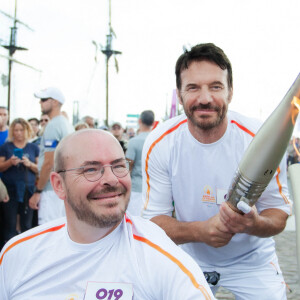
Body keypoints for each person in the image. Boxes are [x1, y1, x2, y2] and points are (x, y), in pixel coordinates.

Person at [141, 43, 291, 299]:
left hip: (252, 261)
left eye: (215, 86)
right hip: (189, 257)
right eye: (193, 88)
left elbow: (278, 215)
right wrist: (200, 231)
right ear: (179, 93)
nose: (205, 98)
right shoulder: (160, 142)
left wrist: (254, 224)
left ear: (231, 92)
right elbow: (153, 224)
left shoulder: (261, 138)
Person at [0, 129, 215, 300]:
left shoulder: (160, 259)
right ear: (58, 185)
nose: (112, 180)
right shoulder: (17, 255)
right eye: (91, 170)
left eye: (119, 166)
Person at [29, 87, 74, 225]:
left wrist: (38, 191)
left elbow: (49, 162)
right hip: (64, 187)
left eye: (43, 100)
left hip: (51, 189)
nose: (40, 103)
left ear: (54, 102)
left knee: (48, 232)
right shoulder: (66, 124)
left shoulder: (53, 126)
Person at [0, 118, 39, 244]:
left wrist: (29, 164)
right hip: (10, 189)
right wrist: (10, 162)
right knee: (9, 223)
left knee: (27, 224)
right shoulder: (6, 147)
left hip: (28, 190)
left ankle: (27, 250)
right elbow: (0, 166)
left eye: (21, 130)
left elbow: (40, 170)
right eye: (16, 130)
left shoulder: (33, 147)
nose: (18, 133)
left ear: (26, 130)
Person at [126, 110, 154, 215]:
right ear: (152, 122)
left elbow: (128, 166)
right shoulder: (158, 141)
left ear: (140, 121)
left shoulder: (134, 141)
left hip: (136, 188)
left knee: (134, 223)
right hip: (153, 188)